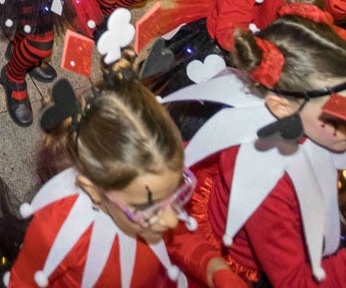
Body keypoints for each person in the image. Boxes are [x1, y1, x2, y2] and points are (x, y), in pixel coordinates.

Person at [163, 6, 346, 286]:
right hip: (252, 264)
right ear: (280, 106)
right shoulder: (266, 181)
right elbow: (294, 282)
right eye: (342, 118)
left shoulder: (296, 109)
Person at [15, 42, 242, 288]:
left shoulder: (153, 191)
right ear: (93, 190)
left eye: (178, 188)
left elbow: (176, 237)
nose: (171, 220)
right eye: (150, 209)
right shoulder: (56, 232)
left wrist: (212, 266)